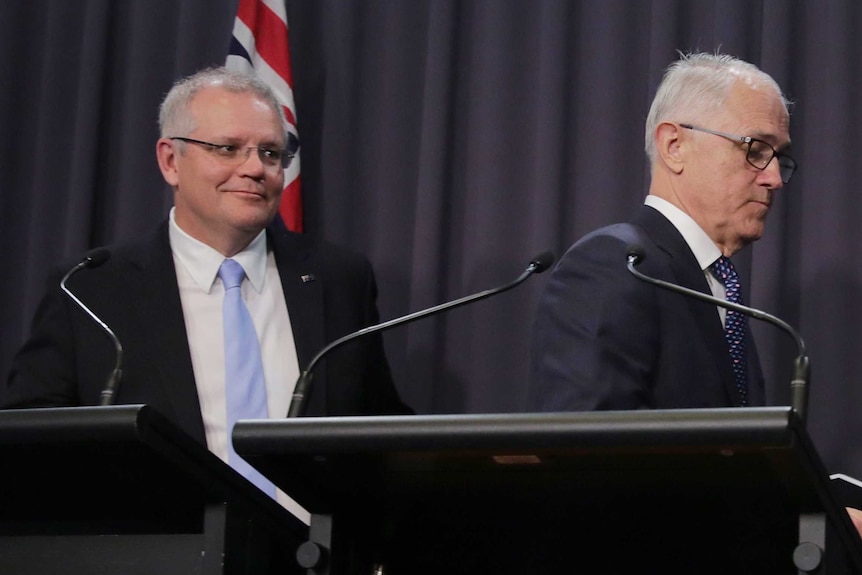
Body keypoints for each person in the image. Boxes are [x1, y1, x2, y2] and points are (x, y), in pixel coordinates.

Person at [1, 67, 411, 515]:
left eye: (271, 153)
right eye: (228, 148)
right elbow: (32, 435)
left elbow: (378, 425)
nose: (255, 168)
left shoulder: (339, 278)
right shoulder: (90, 287)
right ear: (170, 161)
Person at [527, 52, 796, 411]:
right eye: (756, 149)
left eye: (780, 157)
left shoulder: (719, 287)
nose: (774, 178)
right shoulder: (615, 267)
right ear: (674, 146)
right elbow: (581, 449)